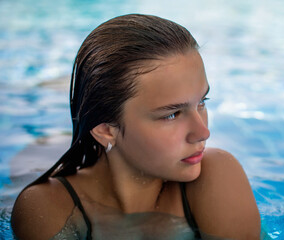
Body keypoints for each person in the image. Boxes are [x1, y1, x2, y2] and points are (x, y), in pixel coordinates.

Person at [11, 14, 260, 240]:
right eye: (172, 114)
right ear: (107, 129)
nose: (203, 132)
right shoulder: (49, 207)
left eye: (202, 102)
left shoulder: (216, 174)